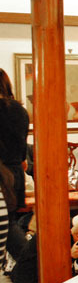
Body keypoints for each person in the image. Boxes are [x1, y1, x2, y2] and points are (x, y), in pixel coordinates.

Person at [0, 69, 29, 259]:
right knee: (11, 222)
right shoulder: (20, 110)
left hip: (3, 175)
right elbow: (22, 149)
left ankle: (33, 264)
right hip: (17, 171)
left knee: (9, 227)